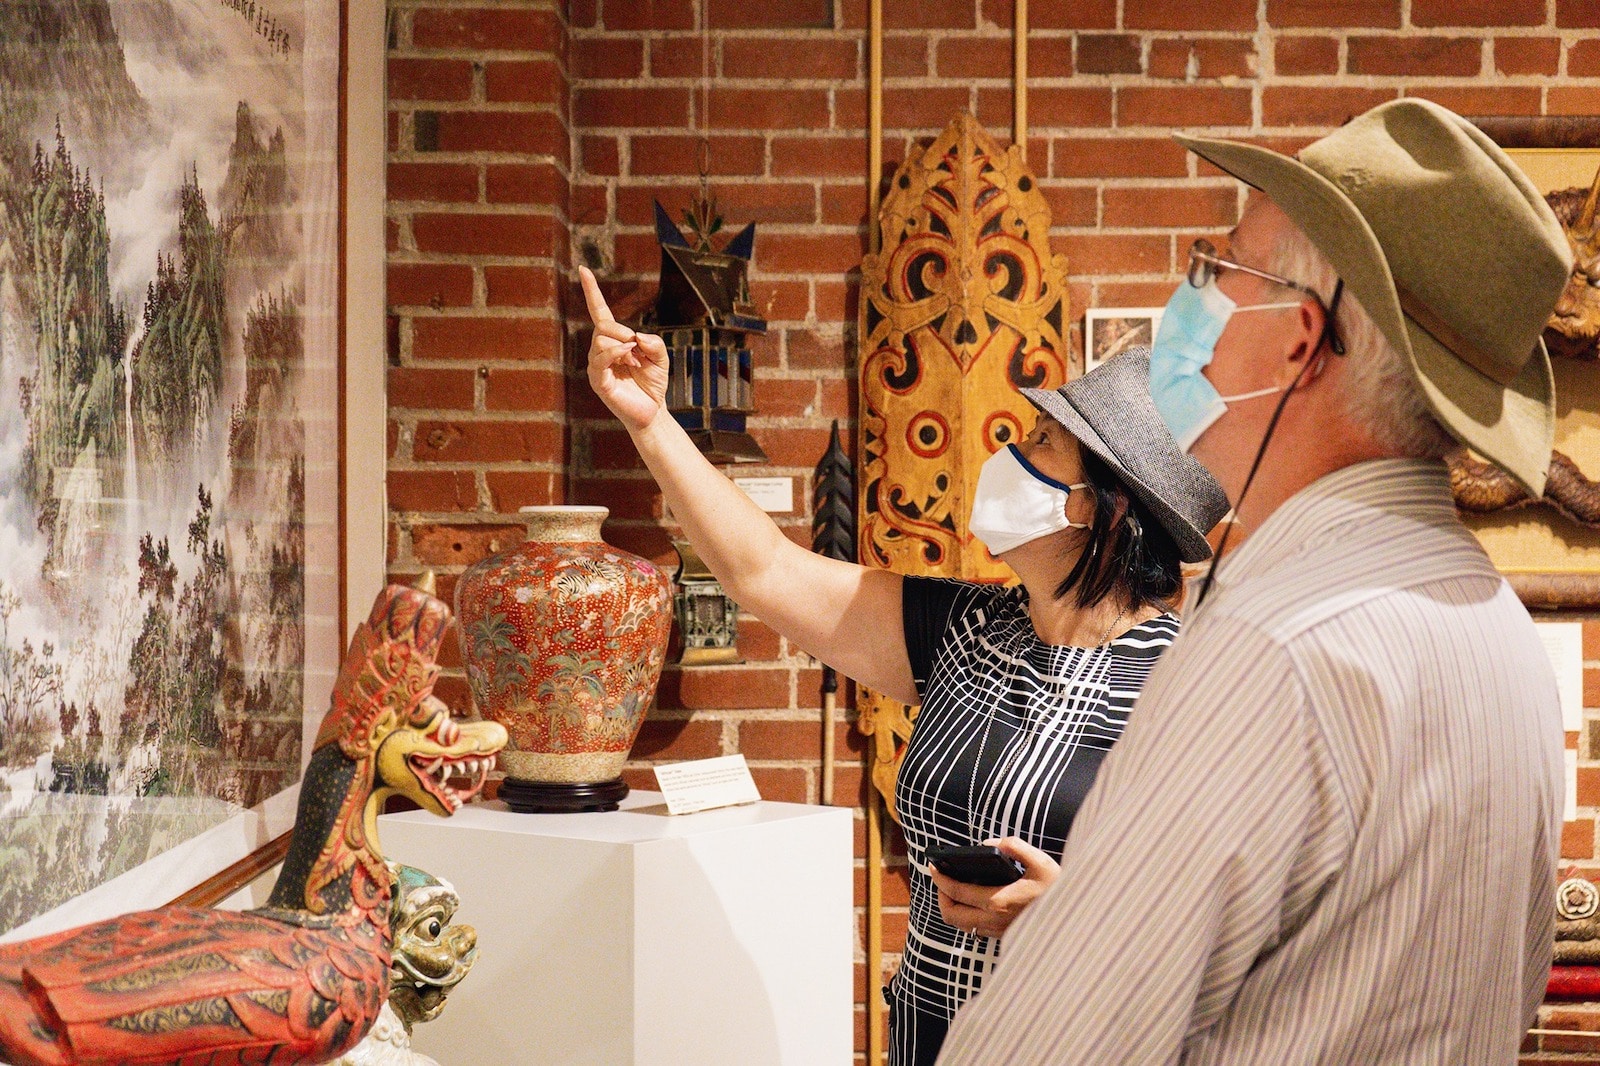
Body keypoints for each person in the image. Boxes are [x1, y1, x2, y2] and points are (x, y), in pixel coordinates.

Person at [937, 98, 1572, 1064]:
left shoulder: (1275, 650)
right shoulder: (1500, 633)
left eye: (1220, 269)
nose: (1191, 300)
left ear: (1297, 339)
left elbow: (1044, 1045)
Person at [578, 268, 1229, 1066]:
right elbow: (767, 573)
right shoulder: (970, 628)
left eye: (1040, 444)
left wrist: (1074, 916)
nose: (1009, 453)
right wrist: (653, 423)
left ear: (1095, 504)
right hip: (931, 1040)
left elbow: (1231, 924)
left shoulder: (1187, 684)